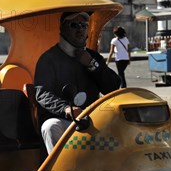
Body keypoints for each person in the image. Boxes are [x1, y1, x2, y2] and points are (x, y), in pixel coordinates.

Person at [34, 11, 121, 154]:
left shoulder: (93, 57)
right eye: (74, 25)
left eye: (84, 25)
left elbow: (113, 87)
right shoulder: (48, 59)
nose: (80, 29)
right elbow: (42, 93)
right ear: (63, 29)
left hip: (93, 119)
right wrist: (65, 109)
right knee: (50, 127)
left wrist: (92, 65)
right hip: (64, 121)